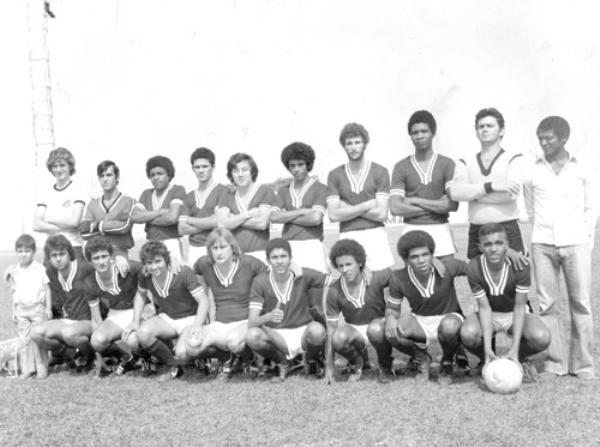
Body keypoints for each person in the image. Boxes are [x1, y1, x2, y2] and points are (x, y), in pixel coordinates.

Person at [523, 116, 596, 379]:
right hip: (542, 244)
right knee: (547, 305)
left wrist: (585, 242)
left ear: (564, 138)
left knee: (581, 304)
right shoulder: (533, 170)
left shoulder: (582, 168)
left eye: (549, 138)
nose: (543, 143)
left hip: (576, 244)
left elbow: (591, 210)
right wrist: (539, 234)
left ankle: (583, 364)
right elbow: (531, 210)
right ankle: (555, 363)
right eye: (540, 138)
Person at [459, 223, 551, 381]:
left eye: (498, 243)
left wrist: (514, 348)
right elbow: (484, 307)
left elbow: (520, 306)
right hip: (490, 313)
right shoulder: (473, 268)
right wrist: (487, 348)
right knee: (468, 333)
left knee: (541, 337)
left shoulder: (521, 266)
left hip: (513, 313)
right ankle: (487, 358)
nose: (493, 249)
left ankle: (516, 357)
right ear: (480, 246)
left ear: (507, 245)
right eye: (487, 244)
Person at [385, 230, 468, 384]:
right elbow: (393, 308)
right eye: (414, 257)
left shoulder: (447, 266)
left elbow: (477, 269)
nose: (421, 260)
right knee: (391, 331)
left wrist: (507, 253)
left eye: (425, 254)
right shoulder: (398, 277)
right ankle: (422, 359)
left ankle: (447, 363)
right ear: (406, 260)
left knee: (449, 327)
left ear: (432, 254)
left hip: (449, 317)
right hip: (421, 321)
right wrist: (390, 317)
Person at [122, 241, 209, 382]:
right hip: (168, 318)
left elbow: (204, 301)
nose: (154, 266)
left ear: (166, 259)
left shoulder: (182, 272)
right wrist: (135, 321)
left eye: (158, 261)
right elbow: (140, 294)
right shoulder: (145, 275)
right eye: (149, 263)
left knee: (183, 352)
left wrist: (197, 325)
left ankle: (201, 358)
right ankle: (173, 366)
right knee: (140, 334)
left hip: (190, 318)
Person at [187, 228, 268, 380]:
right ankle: (227, 358)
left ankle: (249, 359)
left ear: (233, 247)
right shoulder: (204, 264)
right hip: (221, 323)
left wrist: (294, 269)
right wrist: (174, 261)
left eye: (223, 247)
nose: (218, 252)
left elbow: (271, 276)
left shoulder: (249, 263)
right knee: (192, 345)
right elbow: (196, 272)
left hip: (245, 322)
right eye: (214, 248)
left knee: (234, 341)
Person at [448, 108, 527, 260]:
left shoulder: (514, 158)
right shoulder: (465, 161)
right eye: (481, 126)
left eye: (490, 126)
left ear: (501, 131)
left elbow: (510, 195)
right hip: (477, 230)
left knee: (513, 278)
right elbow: (456, 193)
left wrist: (473, 196)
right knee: (477, 279)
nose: (484, 129)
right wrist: (490, 187)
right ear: (476, 131)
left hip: (508, 228)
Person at [246, 238, 328, 382]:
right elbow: (251, 322)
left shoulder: (303, 275)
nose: (279, 261)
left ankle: (310, 360)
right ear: (268, 260)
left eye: (283, 256)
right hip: (277, 336)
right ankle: (282, 362)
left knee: (318, 331)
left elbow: (332, 279)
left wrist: (362, 269)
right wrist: (268, 317)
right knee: (252, 336)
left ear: (290, 258)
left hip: (302, 329)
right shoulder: (260, 281)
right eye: (275, 257)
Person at [390, 110, 459, 258]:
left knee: (445, 278)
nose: (419, 136)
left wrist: (415, 200)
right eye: (415, 132)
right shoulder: (401, 166)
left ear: (433, 133)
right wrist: (437, 205)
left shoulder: (447, 164)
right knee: (414, 279)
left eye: (424, 131)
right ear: (410, 136)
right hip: (412, 229)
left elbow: (452, 205)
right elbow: (395, 207)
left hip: (441, 229)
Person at [326, 123, 394, 270]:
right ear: (344, 146)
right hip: (348, 235)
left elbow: (382, 214)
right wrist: (367, 205)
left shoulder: (380, 171)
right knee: (353, 286)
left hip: (375, 234)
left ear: (365, 144)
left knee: (381, 282)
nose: (353, 147)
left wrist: (346, 208)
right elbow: (333, 214)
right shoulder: (335, 175)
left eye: (357, 142)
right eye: (349, 143)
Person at [324, 239, 393, 384]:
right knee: (338, 337)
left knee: (375, 329)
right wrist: (329, 367)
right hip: (355, 331)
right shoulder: (335, 289)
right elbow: (331, 329)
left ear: (360, 262)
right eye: (340, 266)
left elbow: (403, 275)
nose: (345, 269)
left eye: (349, 264)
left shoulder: (376, 278)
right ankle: (357, 362)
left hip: (378, 327)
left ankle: (385, 365)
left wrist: (433, 262)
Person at [30, 235, 95, 372]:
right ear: (49, 258)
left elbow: (105, 268)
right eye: (54, 255)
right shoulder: (51, 272)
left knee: (69, 333)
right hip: (68, 321)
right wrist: (13, 269)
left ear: (69, 253)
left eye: (62, 254)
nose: (58, 258)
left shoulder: (85, 268)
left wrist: (118, 260)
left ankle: (90, 356)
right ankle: (70, 355)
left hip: (89, 321)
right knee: (36, 333)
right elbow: (30, 272)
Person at [84, 236, 141, 377]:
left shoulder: (127, 267)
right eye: (96, 258)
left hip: (139, 310)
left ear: (111, 256)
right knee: (97, 341)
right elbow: (96, 319)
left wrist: (173, 261)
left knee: (132, 340)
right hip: (116, 314)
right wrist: (99, 356)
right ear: (90, 261)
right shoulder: (90, 282)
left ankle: (147, 357)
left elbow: (151, 267)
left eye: (104, 256)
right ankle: (127, 356)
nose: (101, 261)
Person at [271, 142, 328, 271]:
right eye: (292, 165)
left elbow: (315, 219)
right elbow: (274, 217)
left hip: (312, 245)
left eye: (300, 164)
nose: (296, 169)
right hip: (288, 247)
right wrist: (302, 211)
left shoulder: (321, 188)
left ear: (308, 164)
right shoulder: (283, 190)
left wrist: (286, 216)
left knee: (315, 289)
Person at [3, 235, 51, 379]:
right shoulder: (15, 271)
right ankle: (27, 369)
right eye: (20, 251)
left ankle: (42, 368)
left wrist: (48, 308)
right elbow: (14, 292)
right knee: (24, 340)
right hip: (22, 310)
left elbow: (47, 289)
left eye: (27, 251)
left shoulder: (40, 269)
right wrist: (14, 310)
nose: (23, 254)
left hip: (37, 309)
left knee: (38, 339)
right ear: (16, 252)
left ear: (34, 251)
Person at [216, 153, 275, 260]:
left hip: (260, 254)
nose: (240, 174)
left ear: (252, 171)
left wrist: (233, 219)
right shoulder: (227, 195)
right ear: (231, 174)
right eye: (235, 171)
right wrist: (248, 214)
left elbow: (262, 223)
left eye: (244, 170)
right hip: (233, 256)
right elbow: (221, 224)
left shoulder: (265, 191)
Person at [33, 147, 86, 260]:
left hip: (73, 247)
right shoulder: (45, 192)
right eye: (55, 166)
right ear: (51, 169)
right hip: (51, 249)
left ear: (70, 167)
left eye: (62, 165)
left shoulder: (78, 190)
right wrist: (65, 226)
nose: (58, 170)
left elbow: (74, 222)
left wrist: (48, 218)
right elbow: (36, 225)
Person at [131, 155, 186, 262]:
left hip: (171, 242)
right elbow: (134, 216)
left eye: (160, 174)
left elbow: (172, 218)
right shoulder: (146, 194)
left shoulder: (177, 190)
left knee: (175, 274)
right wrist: (161, 212)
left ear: (169, 175)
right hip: (151, 243)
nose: (156, 177)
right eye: (152, 175)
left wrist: (147, 217)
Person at [178, 147, 226, 265]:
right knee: (198, 283)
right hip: (195, 249)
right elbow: (182, 229)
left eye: (205, 166)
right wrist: (210, 222)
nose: (201, 170)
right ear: (193, 169)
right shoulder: (189, 196)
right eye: (197, 167)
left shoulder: (223, 191)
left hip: (218, 246)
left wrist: (190, 219)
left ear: (213, 167)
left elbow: (219, 221)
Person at [79, 161, 135, 258]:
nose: (105, 179)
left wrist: (96, 225)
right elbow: (85, 233)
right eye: (102, 176)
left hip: (120, 253)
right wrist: (112, 225)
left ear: (117, 177)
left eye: (109, 175)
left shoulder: (128, 201)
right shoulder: (92, 204)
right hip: (98, 255)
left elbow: (124, 227)